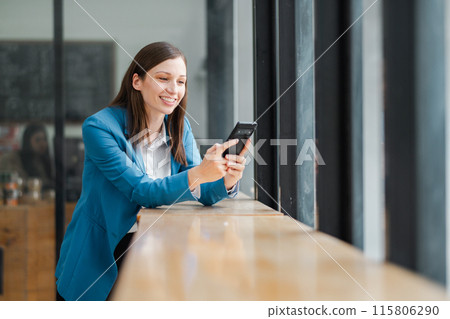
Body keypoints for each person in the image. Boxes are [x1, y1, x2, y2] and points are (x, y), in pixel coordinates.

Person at [55, 42, 249, 301]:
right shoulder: (100, 127)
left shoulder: (180, 127)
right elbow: (142, 191)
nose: (174, 89)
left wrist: (226, 180)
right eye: (163, 78)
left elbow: (200, 191)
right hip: (103, 255)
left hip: (157, 250)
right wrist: (201, 172)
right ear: (137, 81)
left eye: (181, 82)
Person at [0, 123, 54, 191]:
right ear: (27, 141)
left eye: (44, 139)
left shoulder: (44, 161)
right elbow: (17, 184)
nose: (42, 143)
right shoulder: (13, 158)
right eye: (38, 140)